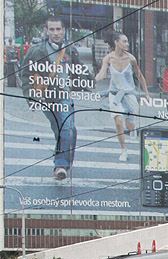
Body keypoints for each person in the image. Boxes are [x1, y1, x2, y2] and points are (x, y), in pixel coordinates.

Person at [23, 16, 82, 181]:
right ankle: (64, 162)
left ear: (63, 30)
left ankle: (61, 165)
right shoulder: (36, 50)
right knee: (62, 130)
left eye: (58, 29)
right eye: (52, 29)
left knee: (66, 128)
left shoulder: (70, 49)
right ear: (46, 30)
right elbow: (25, 74)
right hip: (47, 98)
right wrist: (31, 98)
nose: (56, 33)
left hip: (65, 96)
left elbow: (79, 71)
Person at [95, 32, 149, 162]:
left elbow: (139, 76)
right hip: (115, 95)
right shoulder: (108, 58)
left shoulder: (131, 59)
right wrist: (99, 76)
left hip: (129, 95)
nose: (127, 44)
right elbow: (102, 72)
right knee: (118, 122)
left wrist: (146, 93)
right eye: (124, 41)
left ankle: (132, 127)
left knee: (130, 124)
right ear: (116, 42)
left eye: (127, 41)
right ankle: (124, 150)